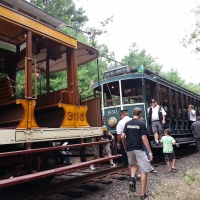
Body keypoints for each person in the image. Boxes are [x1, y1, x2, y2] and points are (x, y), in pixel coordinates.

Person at [121, 107, 153, 200]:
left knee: (133, 165)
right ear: (140, 115)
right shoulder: (141, 124)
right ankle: (143, 194)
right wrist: (150, 152)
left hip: (129, 149)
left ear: (132, 114)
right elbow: (144, 139)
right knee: (144, 171)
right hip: (139, 149)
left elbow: (122, 136)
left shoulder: (127, 123)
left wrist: (125, 146)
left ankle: (132, 178)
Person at [116, 110, 132, 177]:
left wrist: (118, 143)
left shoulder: (121, 122)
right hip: (135, 140)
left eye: (120, 115)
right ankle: (139, 174)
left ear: (122, 115)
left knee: (127, 158)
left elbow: (119, 134)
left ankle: (132, 175)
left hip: (125, 140)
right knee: (135, 157)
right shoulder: (132, 120)